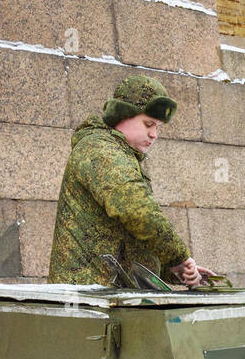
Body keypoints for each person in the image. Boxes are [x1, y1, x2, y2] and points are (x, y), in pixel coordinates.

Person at [49, 74, 211, 287]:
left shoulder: (120, 154)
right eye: (148, 124)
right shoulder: (100, 150)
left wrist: (172, 269)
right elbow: (137, 212)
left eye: (157, 127)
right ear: (122, 116)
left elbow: (129, 239)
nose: (154, 134)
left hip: (106, 295)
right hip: (90, 298)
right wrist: (178, 257)